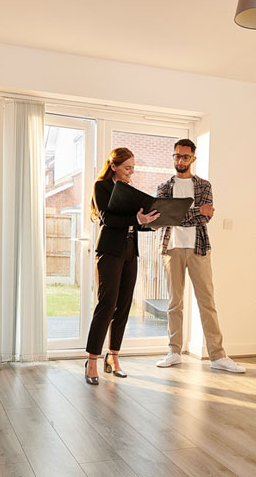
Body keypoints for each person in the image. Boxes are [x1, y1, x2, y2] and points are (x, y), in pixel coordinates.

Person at [153, 139, 245, 373]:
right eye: (176, 156)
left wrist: (178, 213)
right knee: (174, 303)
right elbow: (165, 218)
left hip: (199, 248)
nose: (180, 160)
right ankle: (174, 352)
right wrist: (192, 211)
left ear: (193, 158)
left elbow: (206, 217)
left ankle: (217, 355)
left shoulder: (204, 186)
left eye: (185, 156)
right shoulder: (164, 187)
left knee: (207, 302)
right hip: (171, 248)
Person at [84, 147, 160, 385]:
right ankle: (92, 360)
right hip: (109, 251)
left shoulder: (128, 191)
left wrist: (150, 223)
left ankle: (113, 357)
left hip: (129, 252)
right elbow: (108, 218)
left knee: (124, 306)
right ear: (114, 165)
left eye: (133, 168)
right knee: (107, 305)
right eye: (127, 168)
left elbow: (133, 222)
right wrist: (137, 220)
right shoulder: (101, 187)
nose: (131, 172)